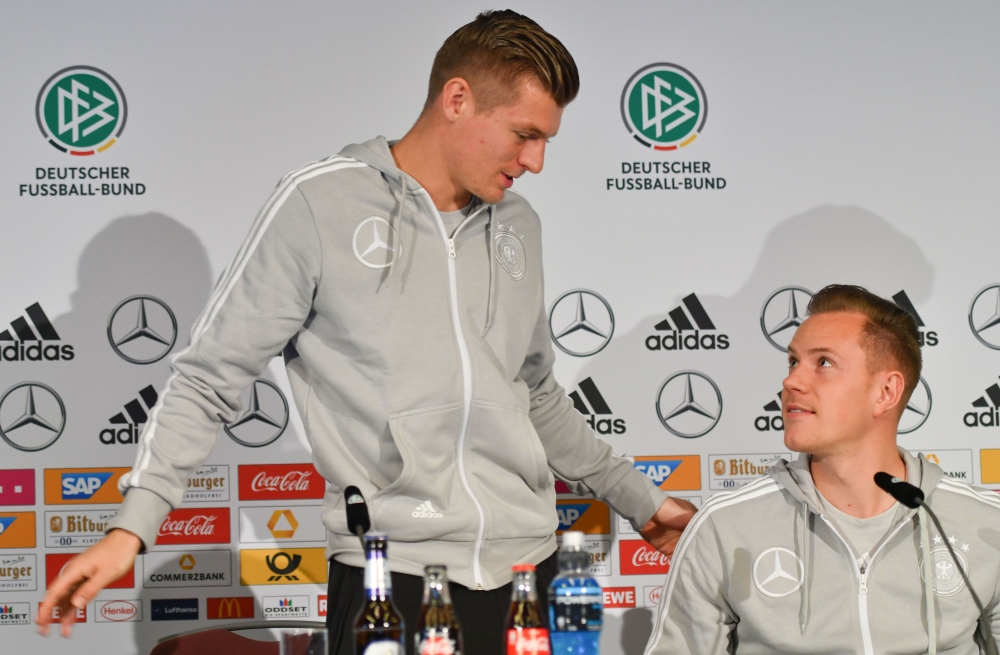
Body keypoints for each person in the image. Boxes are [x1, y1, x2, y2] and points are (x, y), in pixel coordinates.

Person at [39, 10, 696, 654]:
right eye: (525, 133)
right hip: (393, 576)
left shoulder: (519, 223)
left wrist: (643, 502)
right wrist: (132, 527)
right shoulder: (317, 203)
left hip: (527, 570)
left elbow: (535, 395)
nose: (537, 160)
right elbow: (209, 377)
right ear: (458, 99)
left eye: (547, 139)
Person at [644, 285, 1000, 654]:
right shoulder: (725, 526)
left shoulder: (983, 524)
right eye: (793, 362)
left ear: (886, 392)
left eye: (824, 362)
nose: (791, 381)